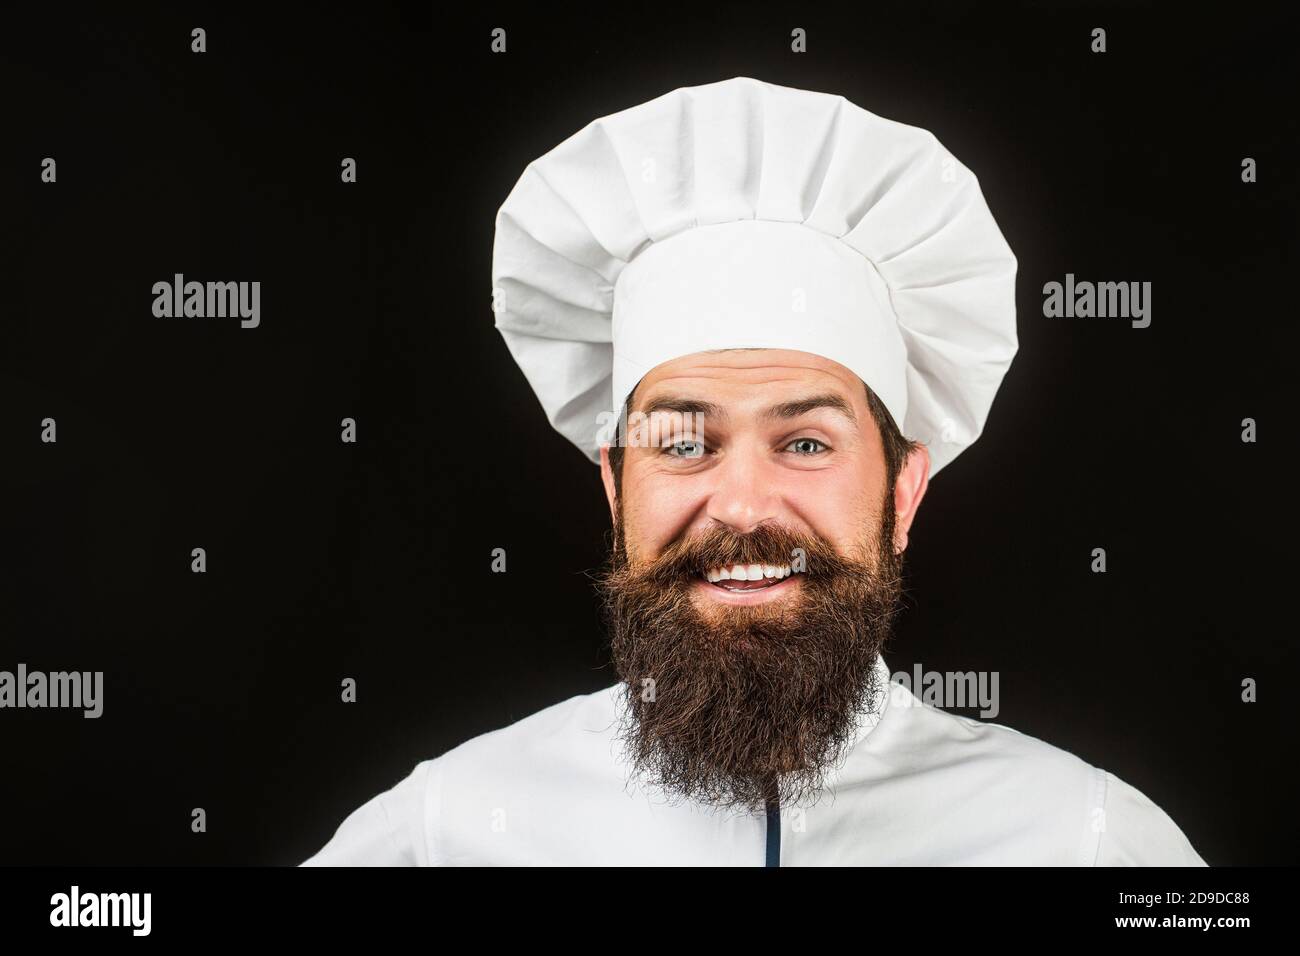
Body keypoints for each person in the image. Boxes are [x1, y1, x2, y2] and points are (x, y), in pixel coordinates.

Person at [301, 76, 1205, 866]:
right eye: (683, 443)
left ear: (903, 492)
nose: (739, 504)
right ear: (616, 489)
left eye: (806, 443)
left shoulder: (1078, 840)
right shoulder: (448, 834)